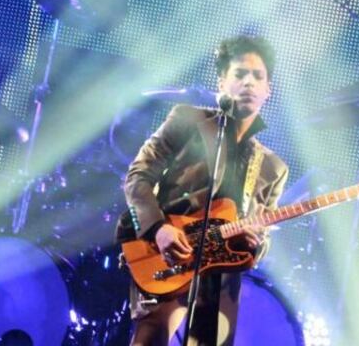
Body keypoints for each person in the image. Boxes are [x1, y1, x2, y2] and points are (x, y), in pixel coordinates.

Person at [121, 35, 289, 346]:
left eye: (258, 76)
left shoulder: (273, 168)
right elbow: (137, 178)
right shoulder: (187, 120)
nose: (249, 83)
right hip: (168, 255)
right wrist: (158, 229)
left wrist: (254, 245)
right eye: (240, 74)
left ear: (269, 90)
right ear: (222, 81)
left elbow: (261, 237)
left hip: (222, 279)